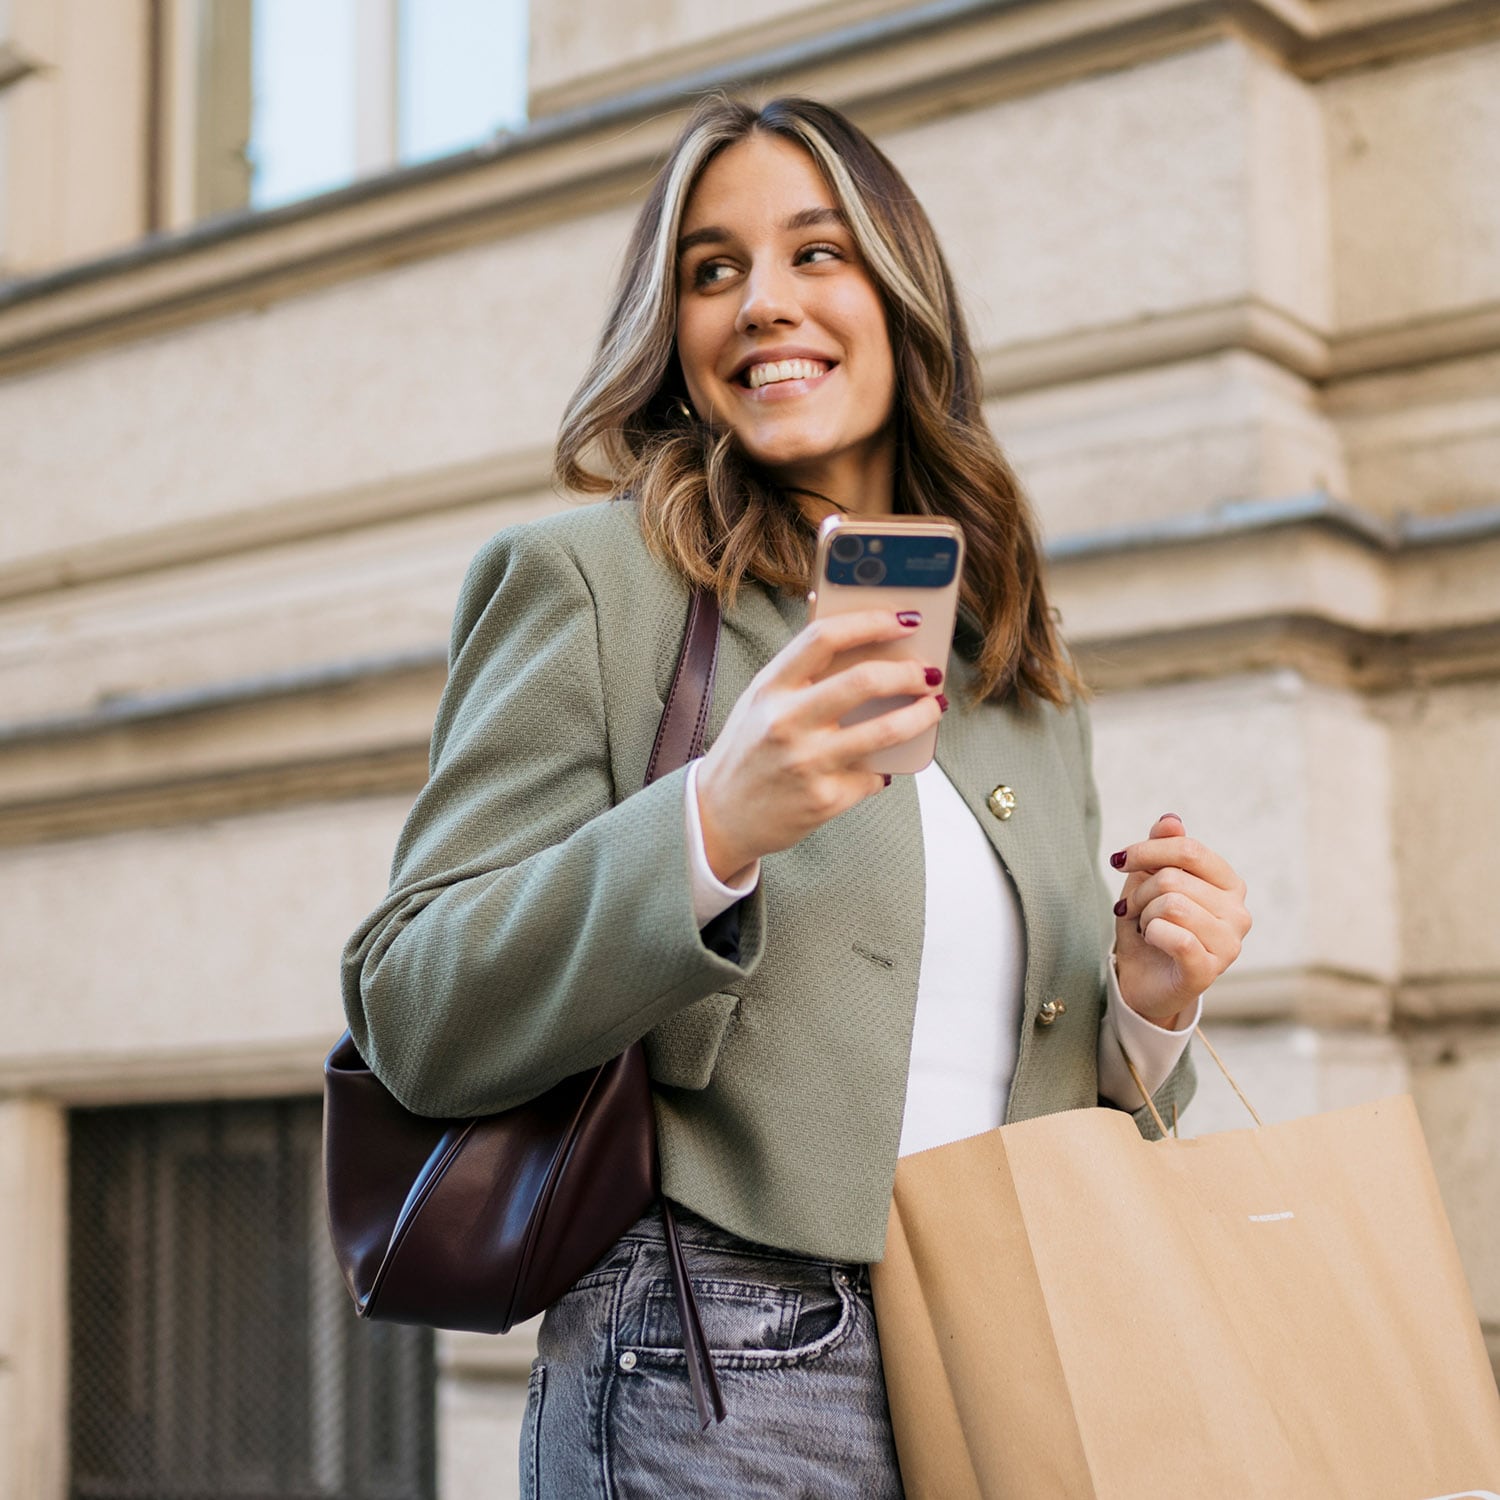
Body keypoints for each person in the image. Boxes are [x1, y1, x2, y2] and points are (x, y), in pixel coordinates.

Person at [341, 93, 1252, 1498]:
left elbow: (1030, 1088)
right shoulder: (599, 585)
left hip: (1007, 1360)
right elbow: (414, 1005)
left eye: (817, 253)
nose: (764, 302)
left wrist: (1148, 1001)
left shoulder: (1013, 657)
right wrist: (711, 826)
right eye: (714, 270)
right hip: (716, 1369)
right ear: (676, 334)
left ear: (901, 296)